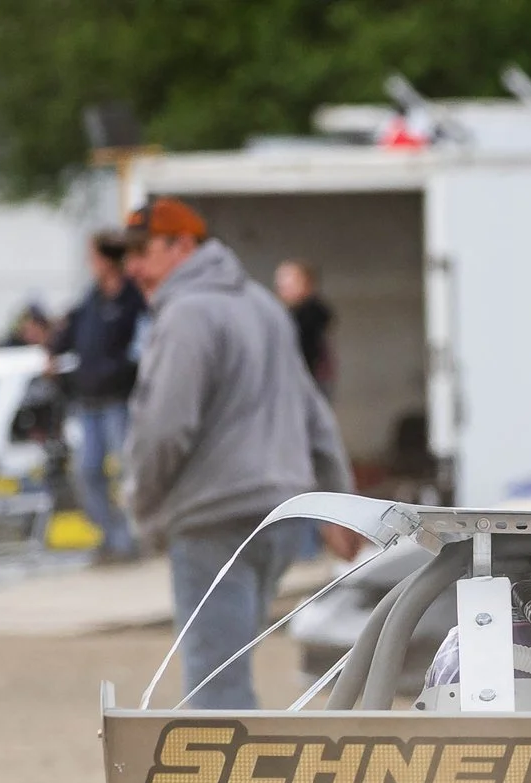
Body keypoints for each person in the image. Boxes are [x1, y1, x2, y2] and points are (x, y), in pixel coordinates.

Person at [121, 197, 359, 709]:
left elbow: (164, 428)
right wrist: (341, 506)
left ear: (184, 245)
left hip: (215, 518)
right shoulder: (263, 305)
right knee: (229, 670)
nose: (133, 267)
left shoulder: (186, 314)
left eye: (143, 250)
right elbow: (314, 414)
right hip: (277, 519)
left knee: (215, 690)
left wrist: (141, 502)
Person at [51, 232, 145, 562]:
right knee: (88, 471)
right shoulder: (92, 299)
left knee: (127, 471)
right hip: (88, 399)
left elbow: (141, 347)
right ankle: (111, 536)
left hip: (119, 399)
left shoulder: (132, 301)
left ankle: (135, 536)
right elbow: (68, 333)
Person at [272, 259, 335, 394]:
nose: (282, 287)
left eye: (289, 282)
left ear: (306, 284)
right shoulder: (287, 315)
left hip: (306, 382)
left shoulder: (309, 316)